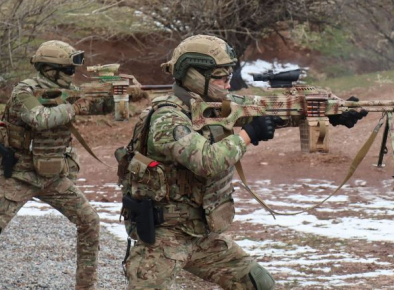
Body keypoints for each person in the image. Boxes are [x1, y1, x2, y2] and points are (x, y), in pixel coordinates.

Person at [117, 35, 367, 290]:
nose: (228, 84)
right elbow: (207, 161)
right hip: (163, 238)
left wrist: (328, 112)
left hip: (201, 234)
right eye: (221, 77)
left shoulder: (211, 106)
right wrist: (248, 135)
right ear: (193, 76)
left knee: (259, 284)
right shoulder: (167, 118)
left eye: (229, 77)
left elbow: (272, 109)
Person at [0, 40, 108, 290]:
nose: (73, 75)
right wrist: (74, 107)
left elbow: (103, 109)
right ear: (50, 70)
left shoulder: (68, 93)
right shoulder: (24, 92)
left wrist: (114, 96)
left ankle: (86, 285)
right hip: (18, 174)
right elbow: (40, 119)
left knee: (89, 221)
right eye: (69, 70)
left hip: (53, 176)